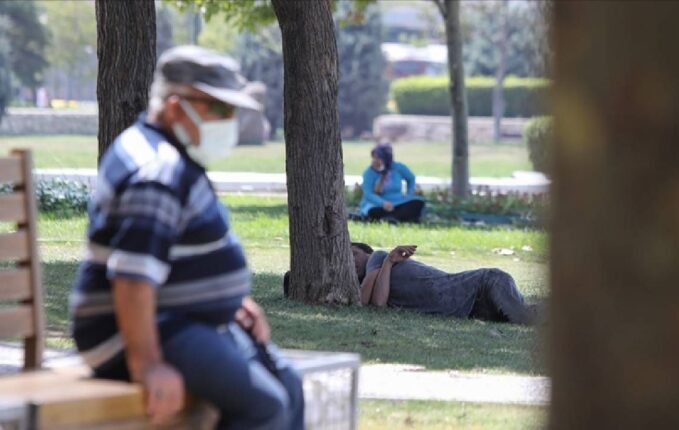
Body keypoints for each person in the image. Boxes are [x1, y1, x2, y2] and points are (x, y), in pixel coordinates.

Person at [69, 45, 303, 429]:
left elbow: (177, 254)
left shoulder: (170, 154)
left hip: (179, 321)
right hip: (129, 334)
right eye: (220, 109)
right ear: (176, 106)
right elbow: (131, 279)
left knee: (288, 384)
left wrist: (232, 302)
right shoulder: (157, 174)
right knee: (265, 408)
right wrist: (148, 364)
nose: (230, 121)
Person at [349, 242, 540, 325]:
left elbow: (365, 301)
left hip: (482, 283)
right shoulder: (384, 266)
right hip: (472, 308)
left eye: (354, 254)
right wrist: (390, 262)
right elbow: (377, 304)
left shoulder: (377, 256)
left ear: (367, 252)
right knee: (526, 315)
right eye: (347, 259)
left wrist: (387, 259)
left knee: (524, 317)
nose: (351, 261)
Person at [358, 143, 424, 223]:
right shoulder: (369, 173)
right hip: (377, 204)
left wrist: (409, 193)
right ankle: (394, 217)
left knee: (418, 203)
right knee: (373, 211)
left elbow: (411, 178)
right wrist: (383, 203)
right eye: (373, 157)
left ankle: (392, 217)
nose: (375, 160)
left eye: (378, 158)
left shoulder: (397, 167)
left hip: (398, 202)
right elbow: (368, 194)